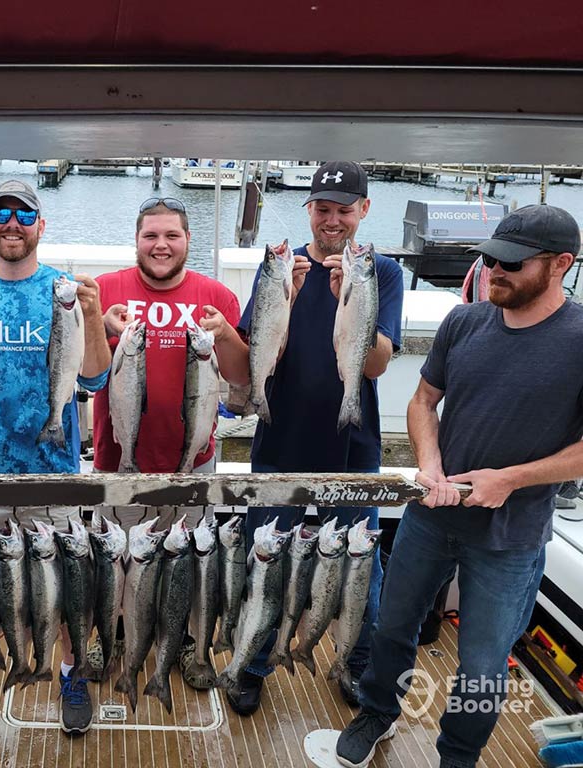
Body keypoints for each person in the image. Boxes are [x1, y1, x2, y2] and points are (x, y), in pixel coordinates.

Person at [335, 204, 583, 768]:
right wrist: (429, 465)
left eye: (513, 264)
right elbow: (423, 401)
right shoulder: (463, 322)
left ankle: (458, 755)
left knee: (482, 661)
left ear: (561, 265)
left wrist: (512, 479)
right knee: (393, 624)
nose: (495, 270)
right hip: (431, 514)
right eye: (492, 258)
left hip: (510, 536)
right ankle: (377, 711)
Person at [234, 161, 404, 714]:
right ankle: (254, 662)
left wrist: (348, 296)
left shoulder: (381, 272)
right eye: (323, 210)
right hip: (279, 442)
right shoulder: (278, 269)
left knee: (362, 568)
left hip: (353, 446)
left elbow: (376, 364)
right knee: (264, 561)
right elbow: (254, 351)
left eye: (344, 211)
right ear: (309, 209)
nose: (333, 221)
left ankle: (357, 666)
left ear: (364, 211)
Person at [0, 179, 111, 735]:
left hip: (52, 467)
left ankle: (72, 672)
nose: (11, 222)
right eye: (0, 213)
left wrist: (91, 312)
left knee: (65, 586)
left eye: (23, 213)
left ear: (42, 226)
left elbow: (94, 375)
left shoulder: (63, 290)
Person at [91, 196, 247, 687]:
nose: (161, 246)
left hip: (192, 462)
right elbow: (86, 372)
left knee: (183, 563)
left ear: (188, 241)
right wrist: (99, 325)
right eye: (150, 236)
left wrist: (223, 336)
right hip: (119, 461)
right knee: (114, 557)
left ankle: (178, 640)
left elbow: (242, 378)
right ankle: (109, 633)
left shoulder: (217, 297)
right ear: (136, 239)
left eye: (171, 236)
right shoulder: (105, 289)